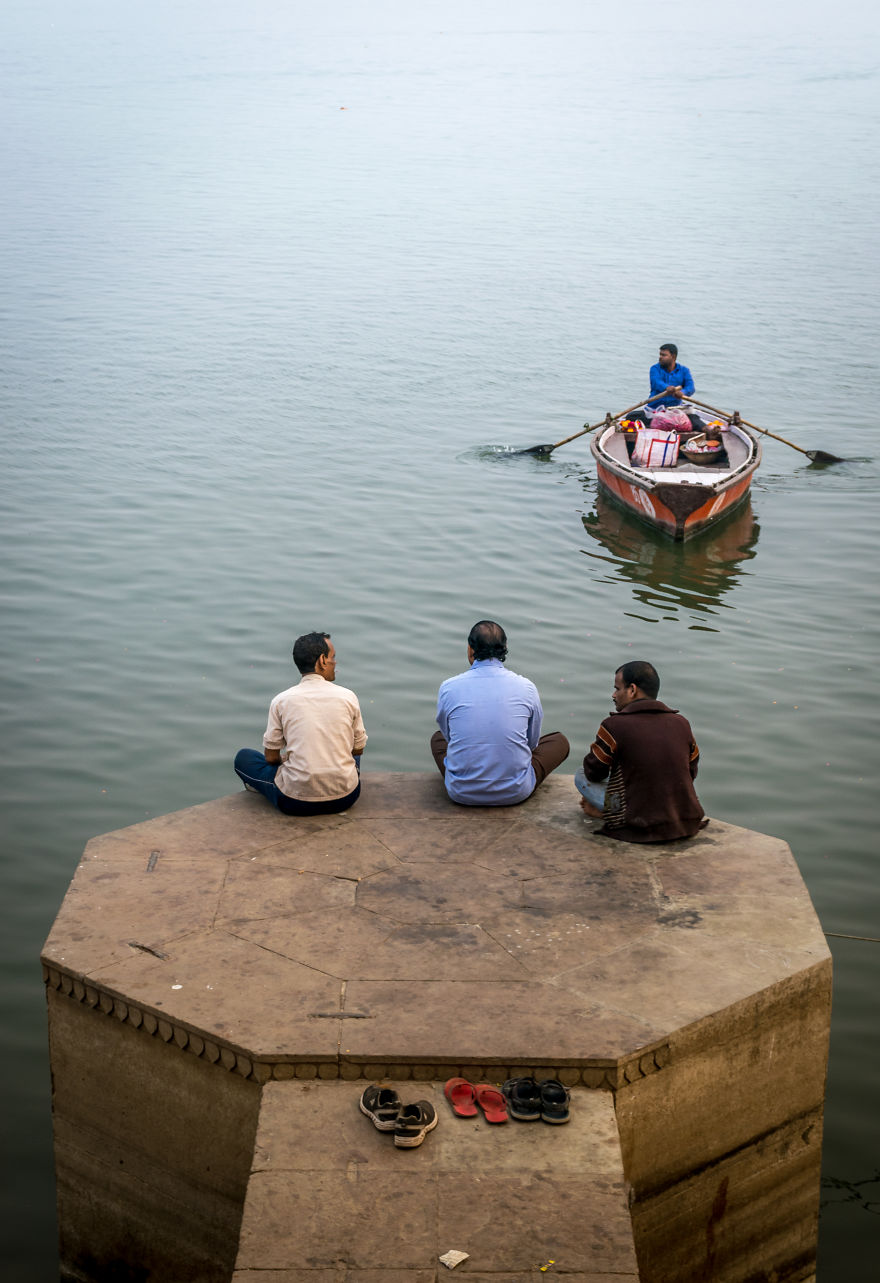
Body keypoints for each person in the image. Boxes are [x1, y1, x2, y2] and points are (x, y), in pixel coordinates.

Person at [430, 620, 570, 806]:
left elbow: (448, 737)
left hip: (461, 792)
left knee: (438, 739)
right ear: (504, 649)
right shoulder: (526, 687)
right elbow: (532, 743)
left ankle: (467, 779)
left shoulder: (449, 687)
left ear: (470, 649)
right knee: (559, 741)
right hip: (515, 792)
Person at [234, 632, 367, 816]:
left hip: (295, 802)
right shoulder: (348, 696)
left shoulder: (281, 701)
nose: (335, 663)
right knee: (351, 752)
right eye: (333, 657)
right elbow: (358, 749)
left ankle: (269, 787)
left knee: (244, 758)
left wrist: (288, 759)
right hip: (346, 797)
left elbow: (271, 758)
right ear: (322, 660)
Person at [575, 660, 706, 843]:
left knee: (580, 775)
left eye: (617, 688)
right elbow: (691, 771)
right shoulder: (682, 723)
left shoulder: (614, 725)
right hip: (684, 818)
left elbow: (594, 772)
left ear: (632, 690)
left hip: (636, 822)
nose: (614, 695)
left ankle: (607, 812)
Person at [649, 343, 695, 408]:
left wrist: (682, 392)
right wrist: (667, 388)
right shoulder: (655, 368)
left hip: (675, 407)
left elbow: (691, 387)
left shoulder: (684, 370)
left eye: (663, 355)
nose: (660, 357)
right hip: (655, 407)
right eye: (660, 355)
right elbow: (656, 382)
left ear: (673, 357)